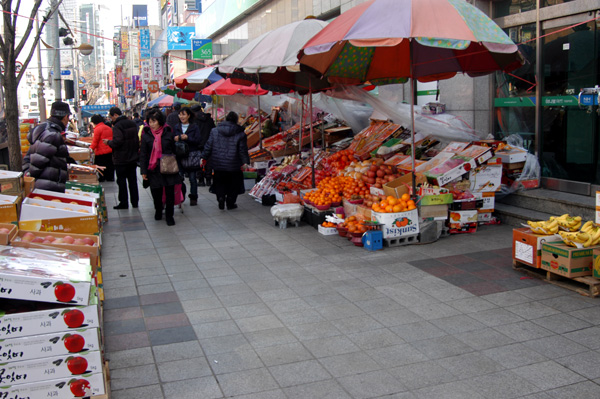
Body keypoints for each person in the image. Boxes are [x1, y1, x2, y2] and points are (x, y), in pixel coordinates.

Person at [139, 109, 180, 226]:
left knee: (169, 193)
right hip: (154, 168)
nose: (151, 124)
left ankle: (169, 216)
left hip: (168, 166)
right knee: (156, 192)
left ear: (160, 121)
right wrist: (143, 171)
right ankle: (158, 210)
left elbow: (174, 150)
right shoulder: (146, 135)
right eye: (150, 122)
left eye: (154, 121)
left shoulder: (168, 133)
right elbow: (143, 154)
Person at [202, 111, 250, 210]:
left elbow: (208, 146)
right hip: (234, 164)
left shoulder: (214, 131)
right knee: (234, 184)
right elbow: (242, 150)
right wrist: (245, 162)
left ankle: (220, 197)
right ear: (236, 120)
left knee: (219, 182)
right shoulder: (240, 133)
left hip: (218, 163)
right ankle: (230, 202)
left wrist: (204, 157)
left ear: (226, 119)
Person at [23, 101, 71, 192]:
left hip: (45, 183)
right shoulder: (52, 134)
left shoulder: (44, 128)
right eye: (68, 118)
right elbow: (39, 161)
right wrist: (30, 176)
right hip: (48, 185)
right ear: (65, 117)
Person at [106, 106, 139, 209]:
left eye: (111, 117)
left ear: (115, 115)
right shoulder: (132, 123)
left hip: (121, 159)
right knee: (133, 181)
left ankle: (124, 202)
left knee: (122, 182)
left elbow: (118, 141)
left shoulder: (117, 126)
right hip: (132, 157)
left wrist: (108, 142)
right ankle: (135, 202)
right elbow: (136, 139)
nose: (111, 119)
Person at [173, 108, 201, 206]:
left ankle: (193, 197)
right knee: (180, 178)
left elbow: (198, 140)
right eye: (180, 114)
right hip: (180, 156)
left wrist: (188, 138)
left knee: (192, 179)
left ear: (188, 115)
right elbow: (172, 139)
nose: (181, 117)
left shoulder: (194, 127)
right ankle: (182, 195)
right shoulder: (176, 127)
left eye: (183, 114)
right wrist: (175, 139)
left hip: (191, 156)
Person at [192, 104, 216, 187]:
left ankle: (201, 180)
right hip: (209, 143)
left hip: (197, 144)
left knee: (199, 162)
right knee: (208, 161)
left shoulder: (193, 121)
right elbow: (214, 130)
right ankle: (208, 179)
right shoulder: (209, 119)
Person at [89, 114, 114, 182]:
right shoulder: (108, 128)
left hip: (101, 152)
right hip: (110, 150)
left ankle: (102, 178)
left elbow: (95, 142)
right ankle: (110, 177)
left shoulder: (97, 129)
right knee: (110, 165)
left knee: (101, 166)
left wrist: (90, 149)